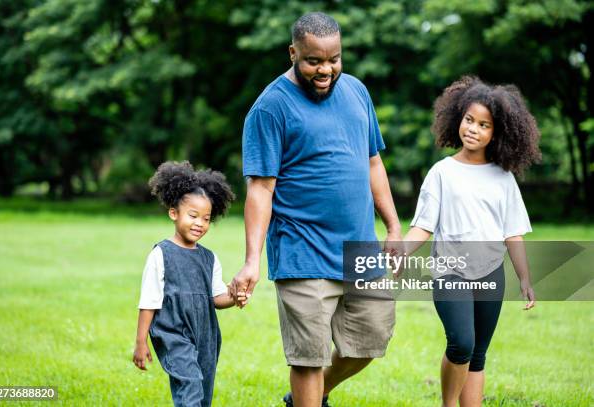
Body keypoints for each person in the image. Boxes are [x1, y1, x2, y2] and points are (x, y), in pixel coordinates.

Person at [230, 11, 403, 407]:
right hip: (301, 250)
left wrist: (393, 226)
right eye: (314, 61)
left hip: (360, 249)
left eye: (334, 59)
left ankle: (309, 397)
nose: (326, 69)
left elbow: (373, 162)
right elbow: (260, 188)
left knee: (370, 340)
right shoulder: (270, 108)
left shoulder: (357, 92)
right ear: (293, 53)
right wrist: (252, 260)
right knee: (308, 356)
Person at [403, 76, 541, 407]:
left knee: (478, 354)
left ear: (498, 133)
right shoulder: (442, 173)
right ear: (457, 118)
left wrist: (524, 277)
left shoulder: (504, 178)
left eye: (484, 125)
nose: (473, 129)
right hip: (450, 270)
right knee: (461, 343)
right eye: (469, 120)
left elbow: (513, 233)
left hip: (491, 272)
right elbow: (423, 226)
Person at [132, 161, 245, 407]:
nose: (199, 224)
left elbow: (217, 298)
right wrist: (141, 341)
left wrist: (234, 295)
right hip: (173, 333)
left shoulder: (209, 257)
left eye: (206, 219)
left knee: (203, 394)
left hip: (206, 335)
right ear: (174, 213)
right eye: (193, 216)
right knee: (190, 386)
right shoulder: (161, 254)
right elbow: (149, 300)